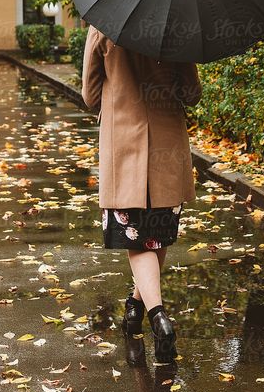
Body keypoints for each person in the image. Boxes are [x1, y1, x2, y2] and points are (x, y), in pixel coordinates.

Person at [80, 23, 202, 362]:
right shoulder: (176, 27)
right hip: (167, 145)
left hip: (123, 147)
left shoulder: (103, 27)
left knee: (137, 237)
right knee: (155, 236)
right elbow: (191, 93)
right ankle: (135, 307)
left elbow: (90, 97)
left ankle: (157, 315)